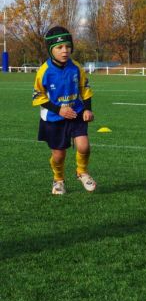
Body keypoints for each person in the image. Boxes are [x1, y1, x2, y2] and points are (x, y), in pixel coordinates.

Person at [32, 26, 97, 195]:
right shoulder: (44, 71)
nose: (65, 51)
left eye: (68, 46)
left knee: (84, 146)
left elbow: (85, 89)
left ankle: (81, 172)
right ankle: (58, 180)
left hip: (76, 113)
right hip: (54, 118)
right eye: (59, 47)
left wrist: (88, 110)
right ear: (50, 49)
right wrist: (59, 110)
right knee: (59, 155)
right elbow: (38, 96)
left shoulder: (76, 67)